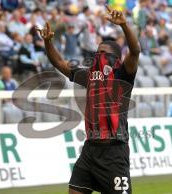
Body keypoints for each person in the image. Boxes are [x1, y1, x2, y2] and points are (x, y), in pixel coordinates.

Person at [36, 4, 140, 194]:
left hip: (114, 153)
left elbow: (135, 51)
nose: (98, 56)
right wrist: (48, 42)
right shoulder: (89, 76)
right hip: (90, 151)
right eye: (96, 53)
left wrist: (124, 25)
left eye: (103, 53)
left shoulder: (122, 75)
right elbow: (59, 63)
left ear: (115, 58)